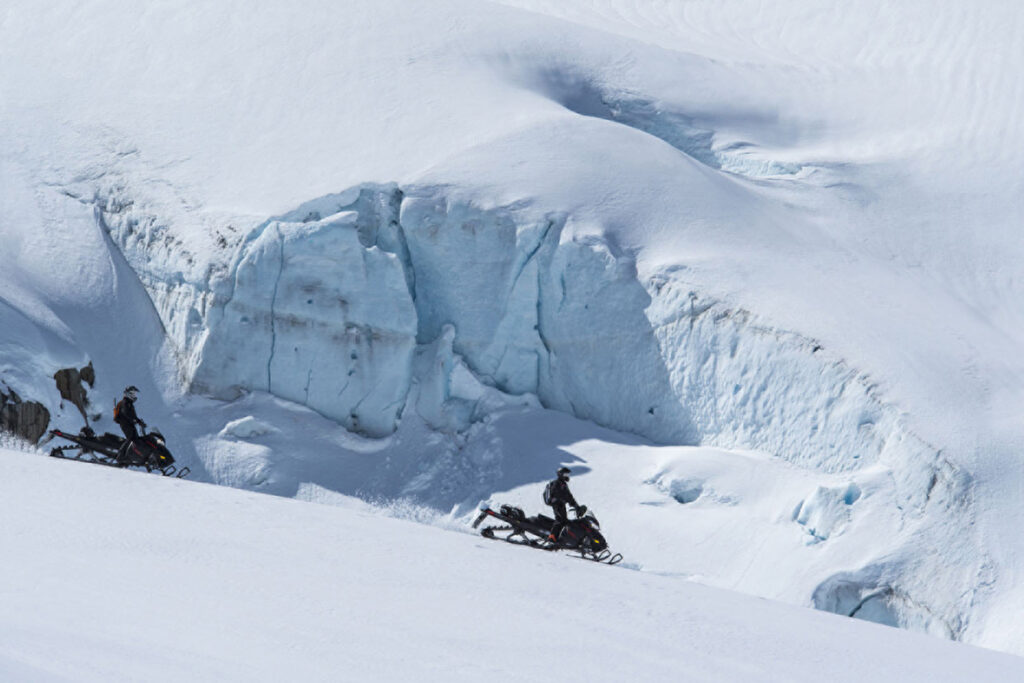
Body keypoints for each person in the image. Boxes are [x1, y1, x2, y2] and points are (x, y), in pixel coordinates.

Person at [544, 466, 581, 545]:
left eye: (568, 474)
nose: (567, 476)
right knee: (560, 520)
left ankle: (562, 538)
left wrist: (576, 505)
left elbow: (569, 496)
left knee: (564, 521)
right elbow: (556, 495)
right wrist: (560, 500)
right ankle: (551, 539)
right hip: (557, 505)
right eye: (565, 474)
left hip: (561, 505)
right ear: (560, 475)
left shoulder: (563, 484)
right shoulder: (556, 484)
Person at [114, 385, 146, 465]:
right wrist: (136, 420)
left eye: (134, 394)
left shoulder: (129, 403)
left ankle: (131, 456)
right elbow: (126, 413)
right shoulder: (125, 402)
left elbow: (132, 415)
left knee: (136, 439)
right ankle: (120, 456)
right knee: (130, 438)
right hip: (125, 424)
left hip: (129, 424)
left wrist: (138, 421)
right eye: (132, 393)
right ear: (128, 394)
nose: (134, 395)